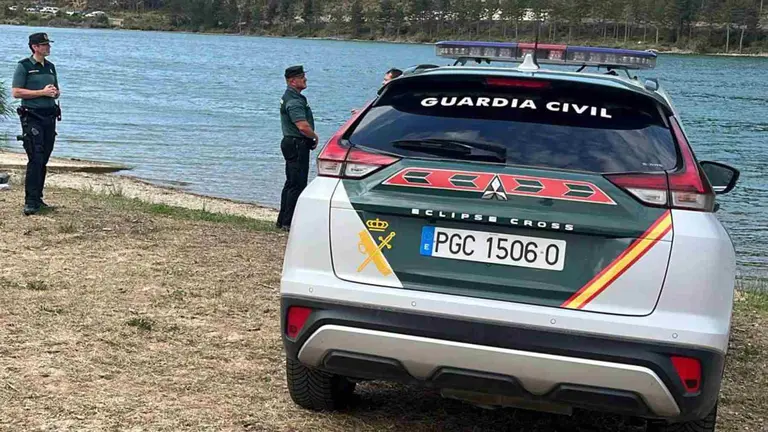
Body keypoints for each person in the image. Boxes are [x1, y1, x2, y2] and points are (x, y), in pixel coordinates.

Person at [11, 32, 61, 216]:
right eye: (45, 44)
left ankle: (38, 198)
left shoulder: (50, 67)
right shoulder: (24, 66)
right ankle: (30, 202)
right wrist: (41, 92)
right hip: (32, 116)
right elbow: (16, 92)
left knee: (44, 158)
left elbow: (54, 90)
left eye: (48, 44)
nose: (48, 47)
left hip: (49, 116)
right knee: (35, 157)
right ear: (35, 47)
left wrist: (55, 93)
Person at [276, 65, 318, 232]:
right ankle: (288, 222)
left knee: (291, 183)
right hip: (296, 143)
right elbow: (302, 126)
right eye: (301, 77)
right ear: (293, 81)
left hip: (291, 142)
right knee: (297, 184)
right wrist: (314, 136)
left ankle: (282, 220)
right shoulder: (294, 101)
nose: (305, 79)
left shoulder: (293, 97)